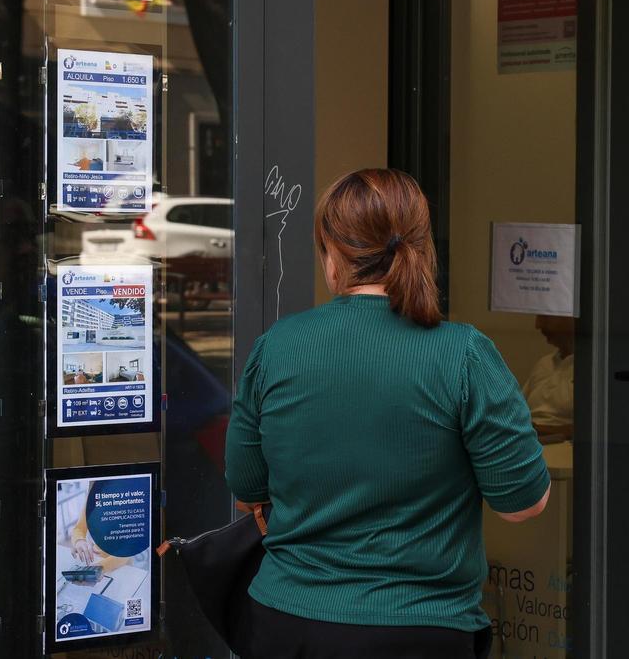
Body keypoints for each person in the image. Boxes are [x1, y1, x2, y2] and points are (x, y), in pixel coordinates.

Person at [225, 169, 550, 658]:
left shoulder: (277, 348)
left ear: (332, 253)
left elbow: (246, 487)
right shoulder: (465, 355)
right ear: (420, 247)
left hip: (287, 621)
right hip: (421, 628)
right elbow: (522, 503)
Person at [522, 314, 575, 443]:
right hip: (527, 441)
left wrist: (539, 429)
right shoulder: (544, 364)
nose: (538, 325)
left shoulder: (594, 370)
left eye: (546, 317)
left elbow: (594, 429)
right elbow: (517, 410)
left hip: (561, 450)